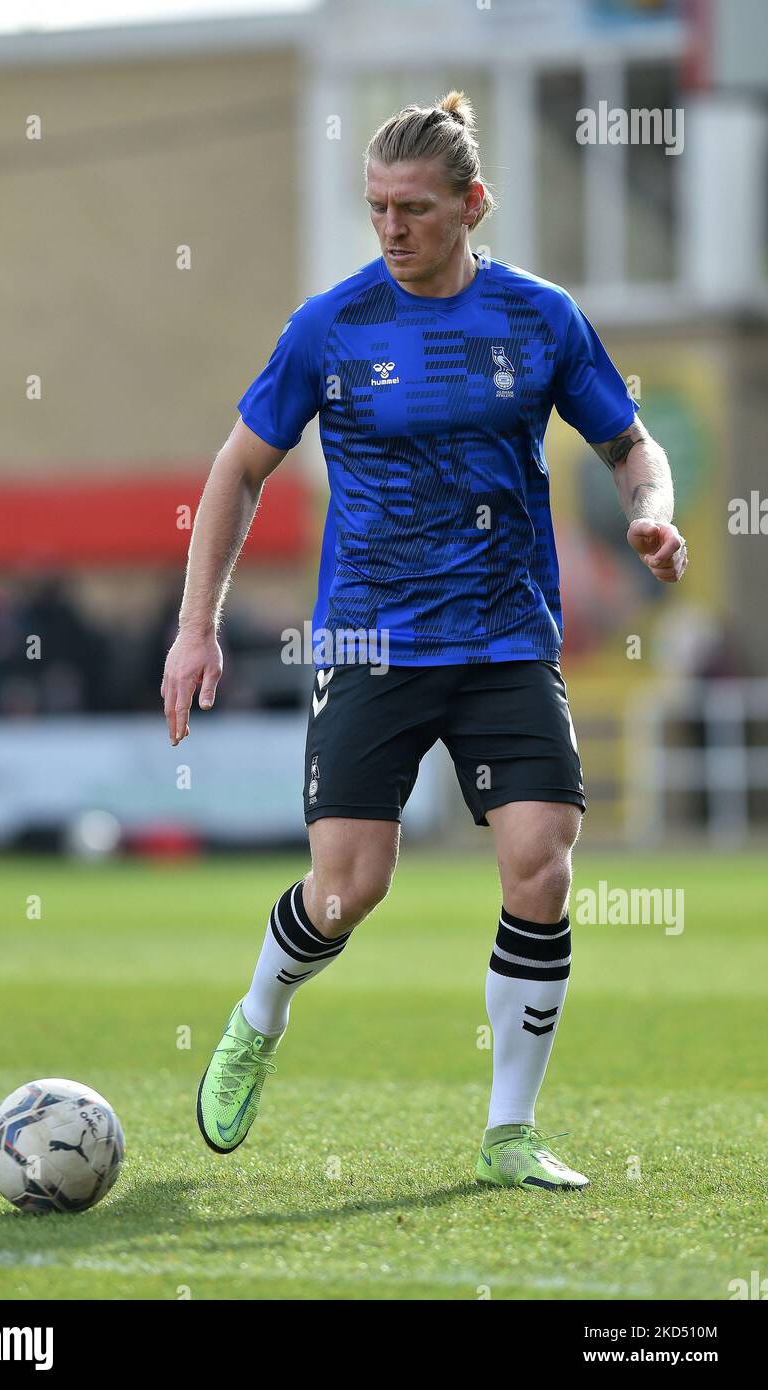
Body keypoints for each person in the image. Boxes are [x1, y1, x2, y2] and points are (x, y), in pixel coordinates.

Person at [161, 90, 687, 1191]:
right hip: (370, 640)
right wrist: (193, 626)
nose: (390, 230)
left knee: (539, 860)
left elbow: (628, 442)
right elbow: (236, 470)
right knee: (348, 888)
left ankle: (508, 1131)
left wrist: (652, 507)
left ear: (471, 205)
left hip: (502, 640)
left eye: (412, 208)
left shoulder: (538, 318)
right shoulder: (329, 326)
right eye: (375, 209)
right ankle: (261, 1012)